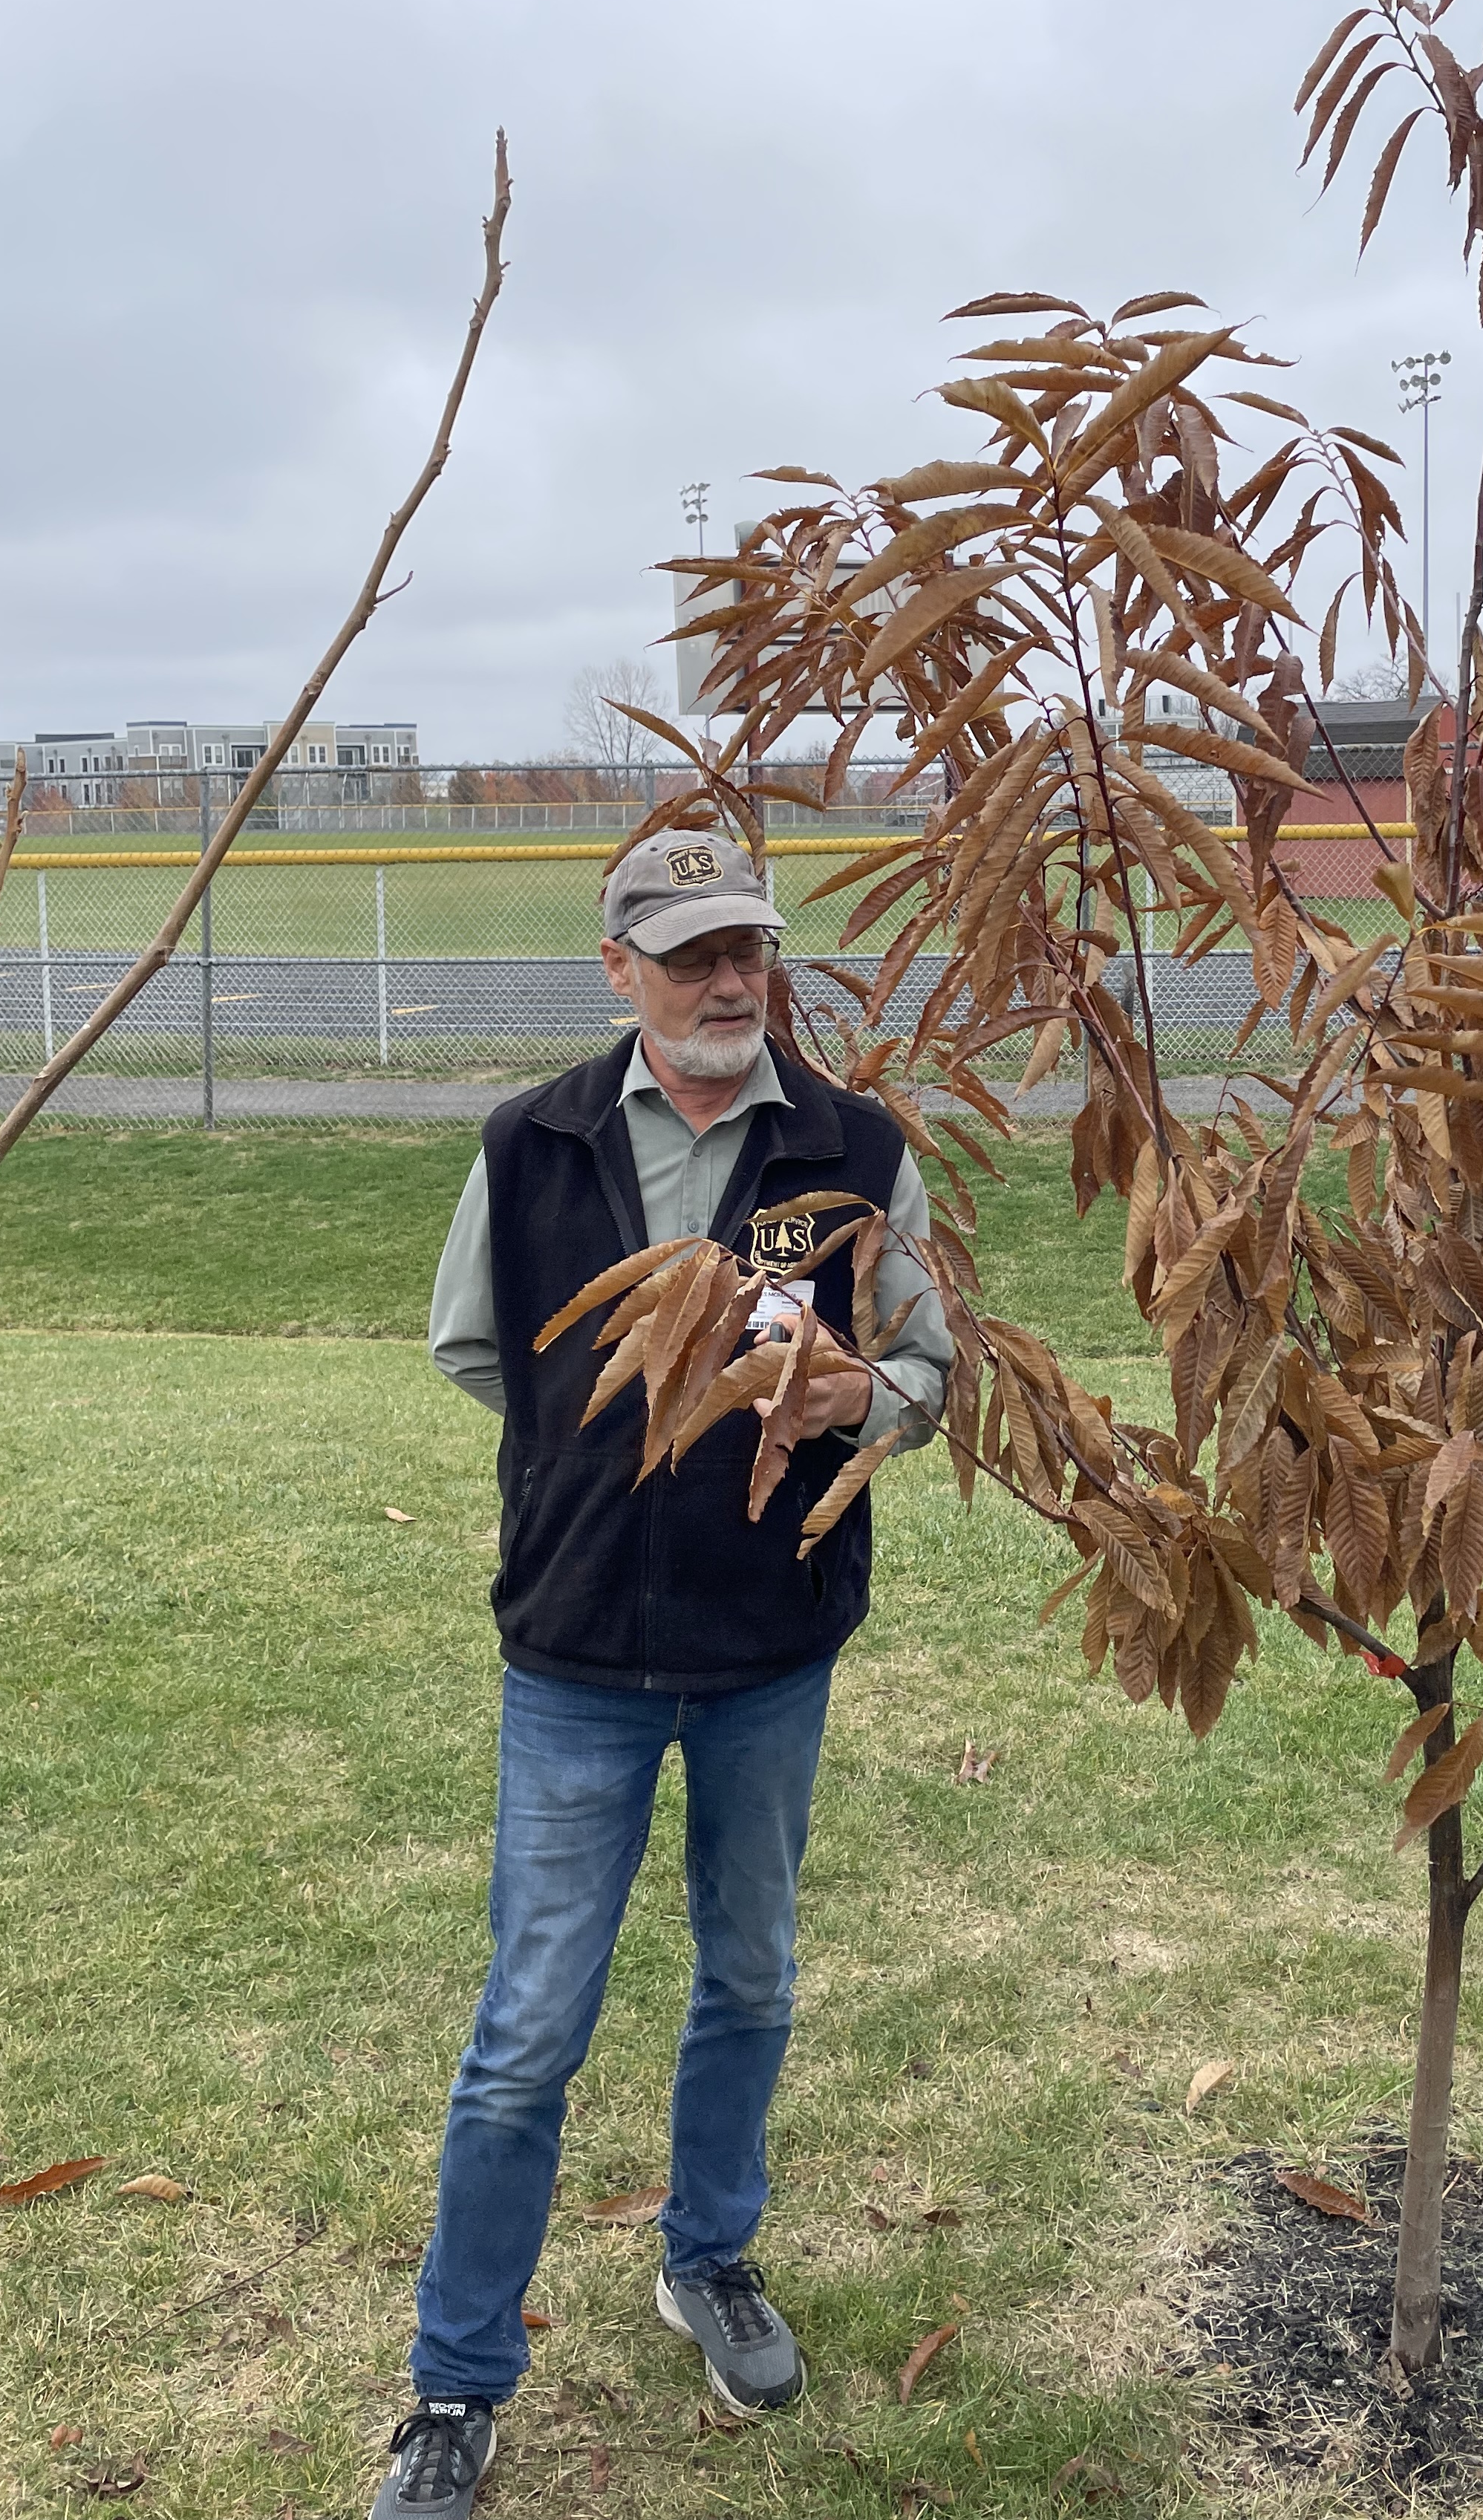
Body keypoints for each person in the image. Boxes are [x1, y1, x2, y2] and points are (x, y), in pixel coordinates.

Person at [370, 831, 952, 2520]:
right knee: (527, 2030)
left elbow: (929, 1357)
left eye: (749, 949)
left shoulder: (850, 1145)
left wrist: (865, 1403)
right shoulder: (533, 1142)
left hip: (770, 1648)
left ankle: (710, 2258)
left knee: (751, 1973)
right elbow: (478, 1352)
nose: (726, 981)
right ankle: (457, 2377)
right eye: (690, 951)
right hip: (575, 1656)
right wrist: (594, 1481)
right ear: (615, 963)